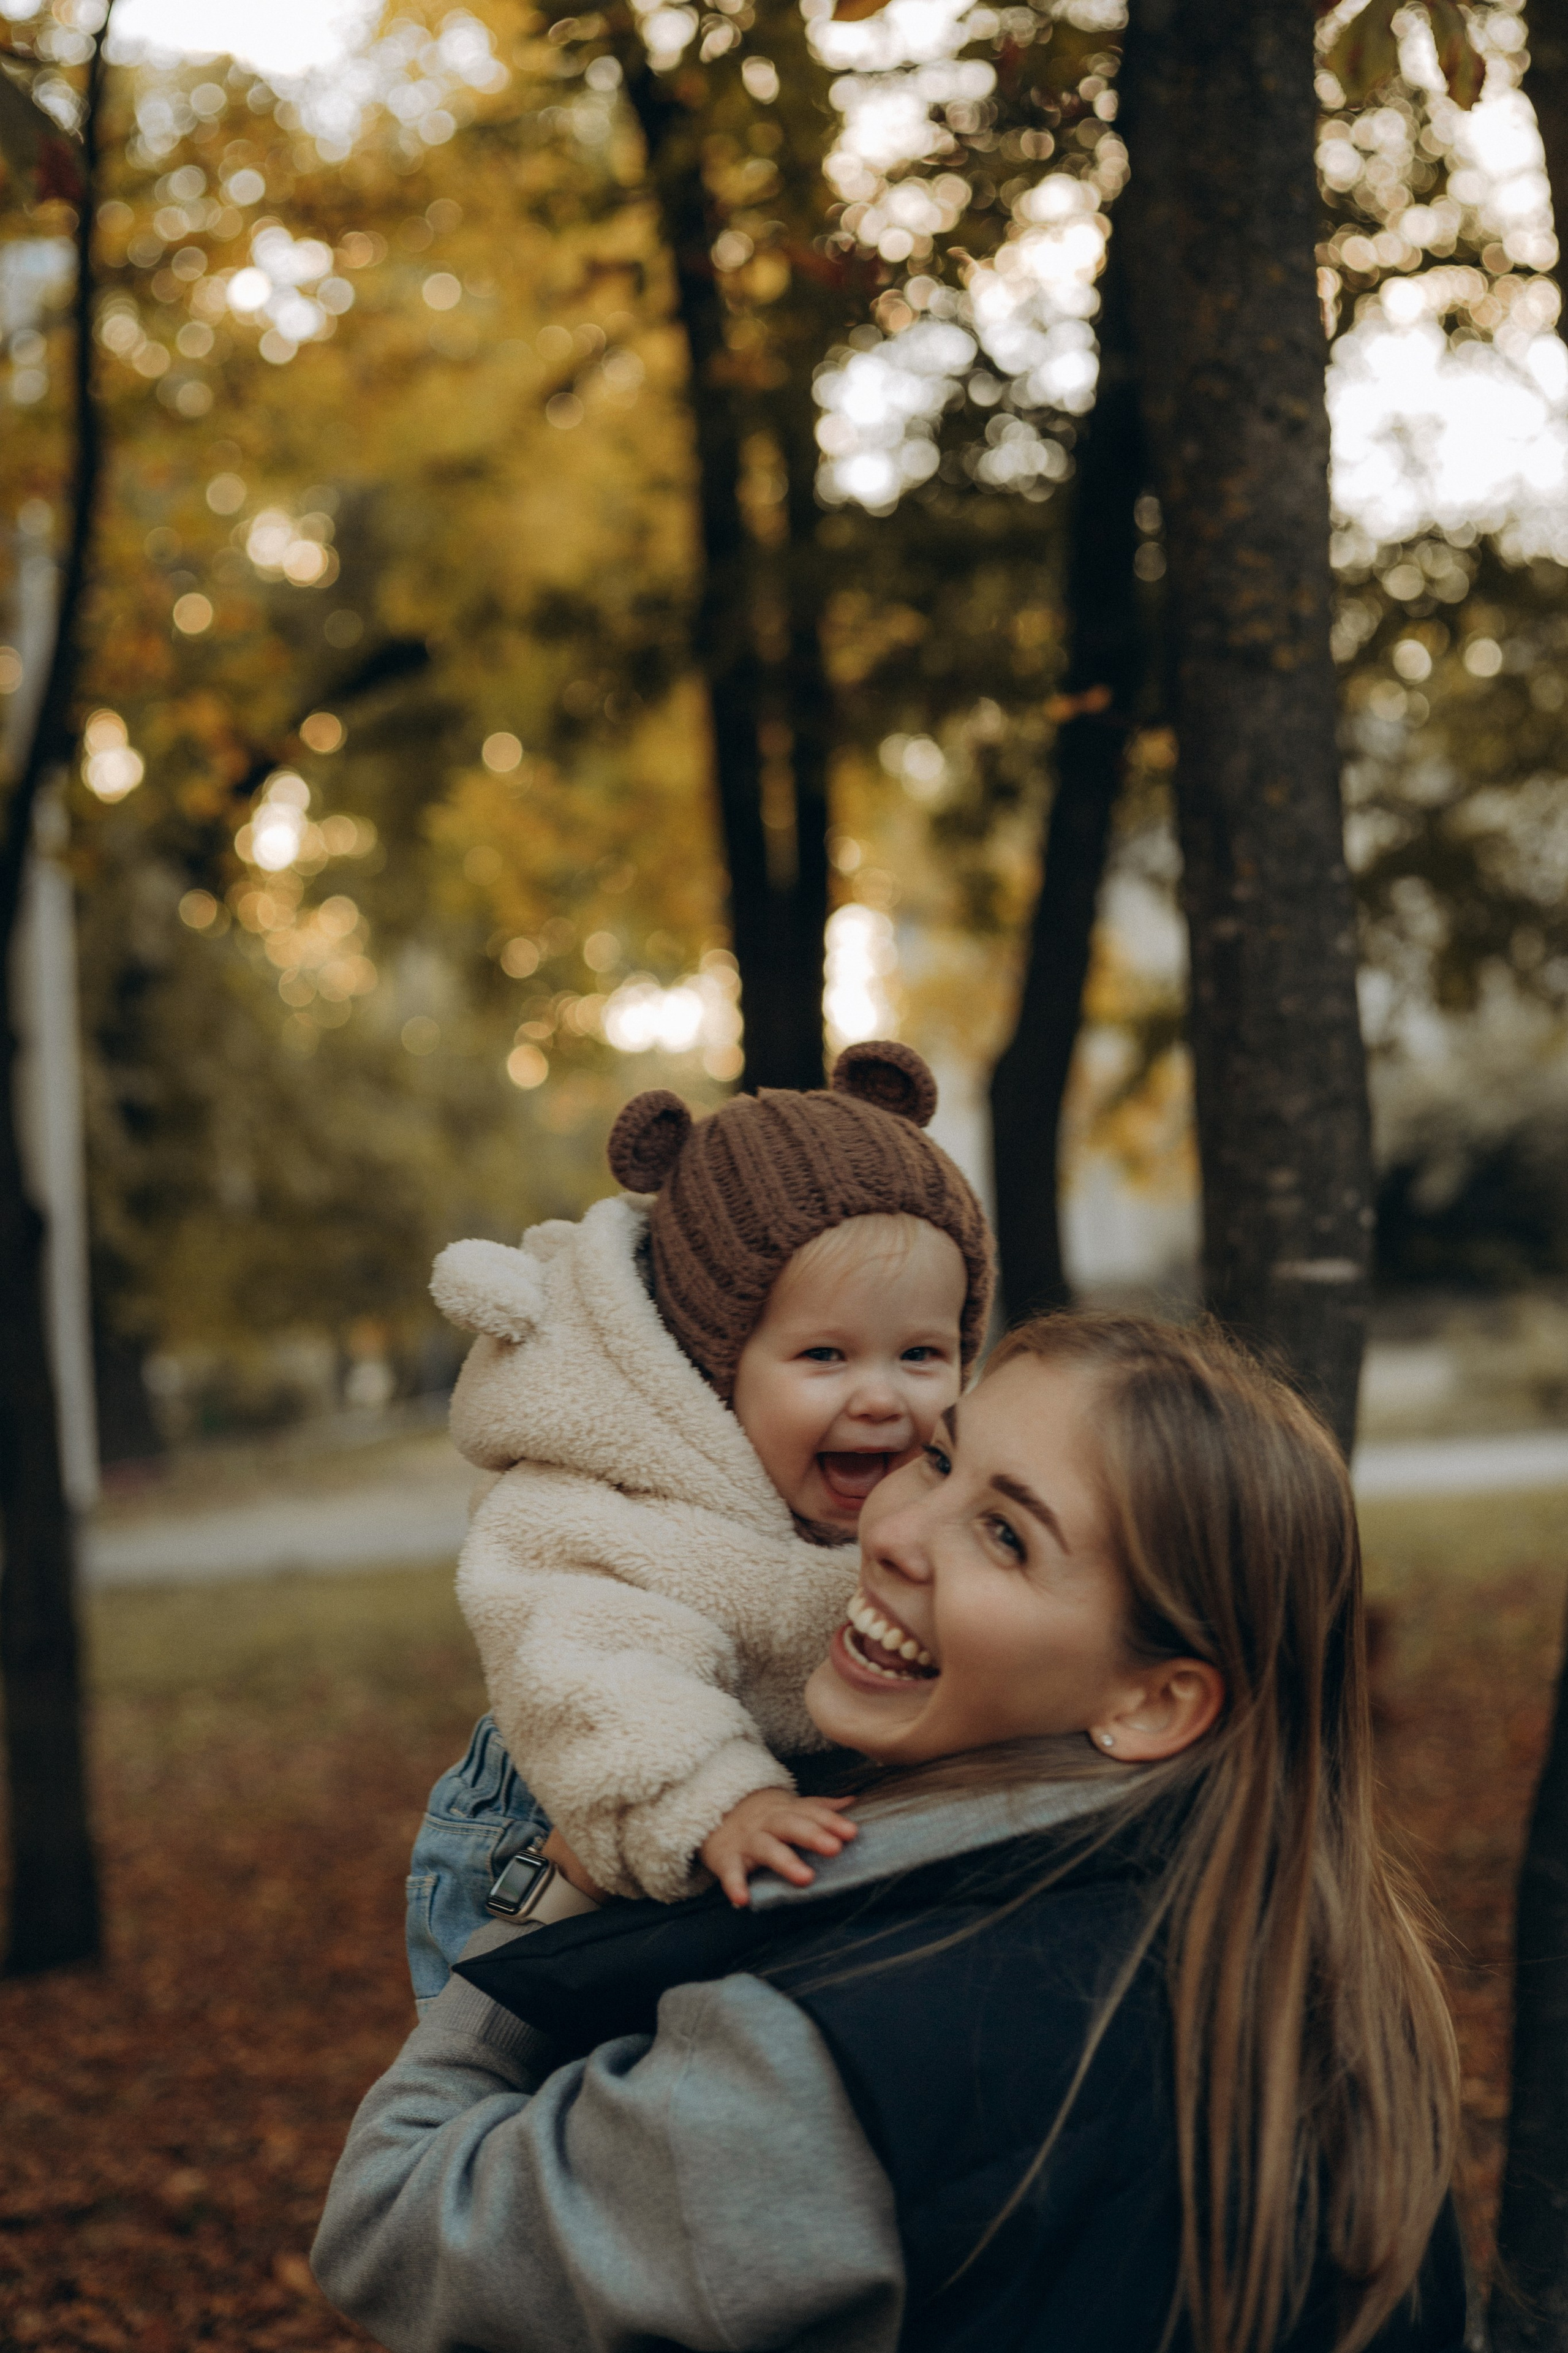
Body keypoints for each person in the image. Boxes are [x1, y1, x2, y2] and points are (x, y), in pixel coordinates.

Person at [315, 1311, 1465, 2353]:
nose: (898, 1530)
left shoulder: (828, 2050)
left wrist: (549, 1903)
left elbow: (393, 2222)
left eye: (1008, 1537)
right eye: (943, 1457)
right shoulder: (1340, 1994)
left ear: (1155, 1702)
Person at [405, 1038, 995, 2006]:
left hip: (769, 1799)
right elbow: (587, 1661)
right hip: (585, 1810)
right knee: (557, 2076)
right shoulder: (606, 1497)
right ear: (713, 1366)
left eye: (923, 1352)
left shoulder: (932, 1483)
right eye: (824, 1355)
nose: (884, 1397)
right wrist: (718, 1798)